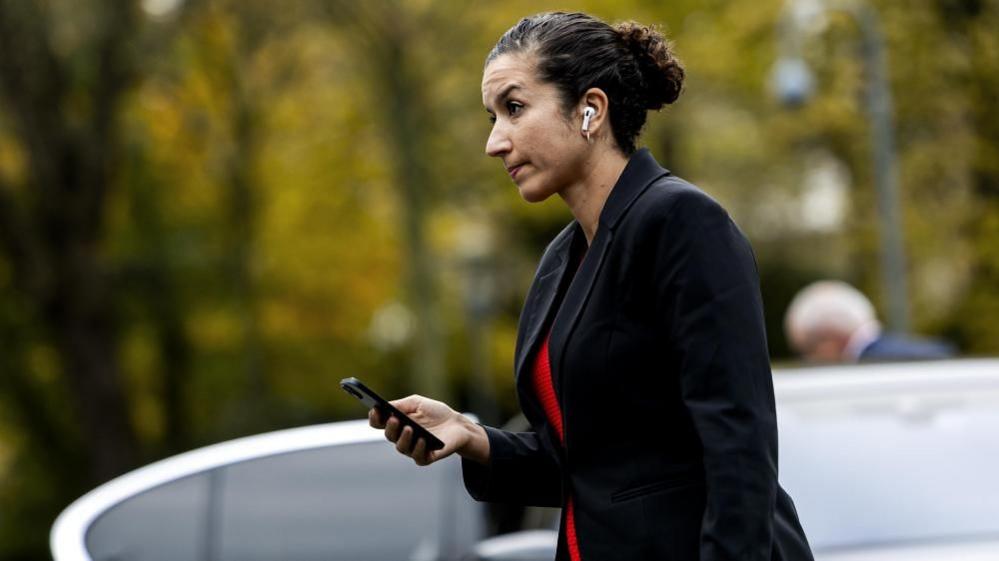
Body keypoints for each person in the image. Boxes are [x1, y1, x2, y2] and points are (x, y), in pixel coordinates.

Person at [369, 12, 813, 561]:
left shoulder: (681, 223)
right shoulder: (561, 259)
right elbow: (587, 469)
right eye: (492, 117)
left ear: (591, 110)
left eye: (514, 108)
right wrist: (471, 436)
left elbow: (739, 447)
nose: (494, 142)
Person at [784, 280, 956, 363]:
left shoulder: (870, 368)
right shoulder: (932, 353)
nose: (809, 362)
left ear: (830, 337)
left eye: (808, 350)